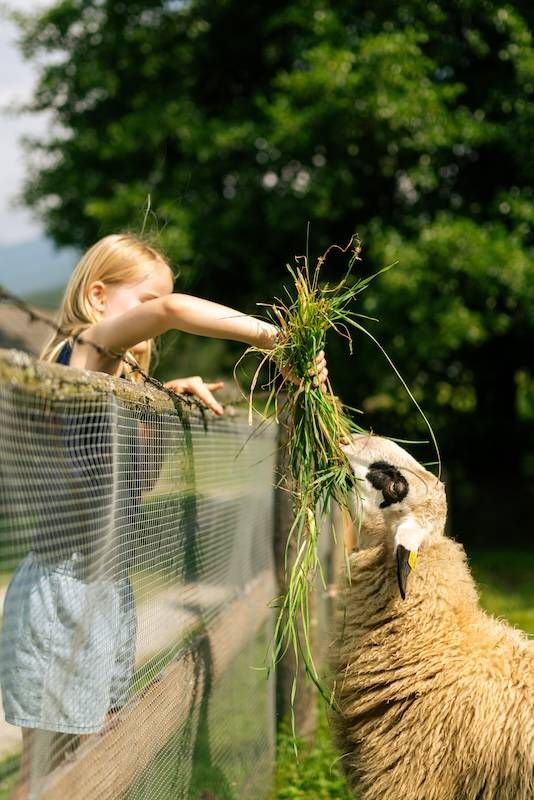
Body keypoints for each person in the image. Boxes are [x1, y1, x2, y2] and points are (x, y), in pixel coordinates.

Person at [0, 233, 328, 797]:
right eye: (145, 300)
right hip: (64, 594)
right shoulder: (82, 346)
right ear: (99, 297)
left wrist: (168, 389)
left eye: (158, 300)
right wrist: (281, 339)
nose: (156, 312)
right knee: (51, 775)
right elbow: (174, 312)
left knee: (94, 763)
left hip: (107, 590)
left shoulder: (112, 384)